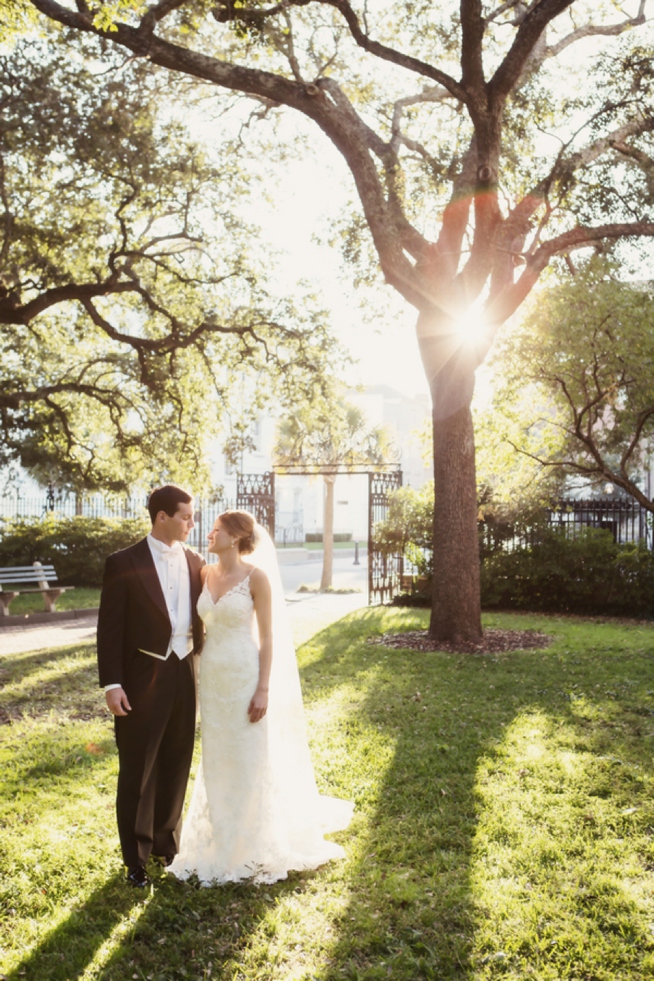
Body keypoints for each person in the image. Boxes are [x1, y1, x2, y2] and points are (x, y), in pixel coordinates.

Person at [169, 509, 353, 885]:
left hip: (244, 675)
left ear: (236, 537)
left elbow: (269, 638)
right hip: (213, 678)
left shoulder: (257, 579)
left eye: (216, 530)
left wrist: (263, 688)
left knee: (248, 756)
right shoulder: (204, 574)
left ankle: (252, 844)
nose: (209, 534)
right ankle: (221, 839)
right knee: (217, 758)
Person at [97, 484, 205, 887]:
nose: (191, 523)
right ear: (162, 517)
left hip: (184, 672)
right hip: (142, 676)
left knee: (177, 761)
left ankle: (166, 847)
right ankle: (136, 860)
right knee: (138, 768)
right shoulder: (122, 562)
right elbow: (110, 630)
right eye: (186, 516)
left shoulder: (196, 561)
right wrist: (112, 684)